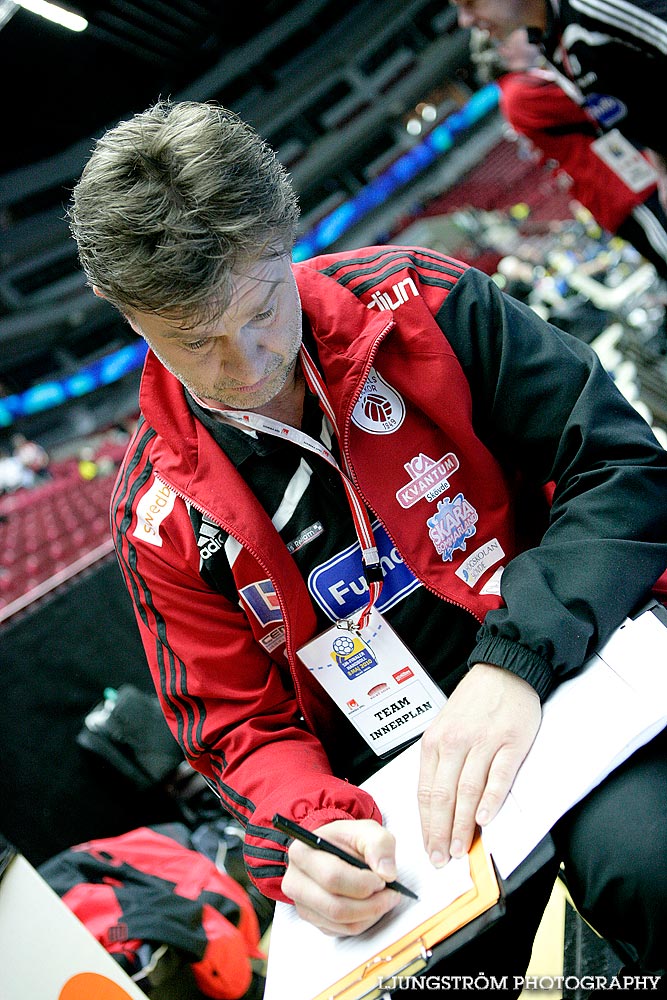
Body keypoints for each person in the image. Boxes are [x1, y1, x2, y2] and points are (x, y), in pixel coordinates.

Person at [68, 100, 667, 990]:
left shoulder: (422, 303)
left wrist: (515, 659)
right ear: (130, 320)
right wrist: (312, 830)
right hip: (392, 813)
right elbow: (238, 728)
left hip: (567, 683)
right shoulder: (154, 515)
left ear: (288, 235)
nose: (244, 363)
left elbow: (619, 466)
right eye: (194, 343)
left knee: (651, 865)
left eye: (262, 306)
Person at [473, 27, 667, 281]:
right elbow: (591, 99)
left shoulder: (522, 83)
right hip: (624, 191)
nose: (530, 33)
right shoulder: (516, 93)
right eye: (517, 32)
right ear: (503, 48)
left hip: (628, 182)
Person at [451, 0, 667, 210]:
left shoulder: (588, 8)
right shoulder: (550, 44)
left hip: (625, 193)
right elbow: (639, 109)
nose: (464, 20)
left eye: (470, 2)